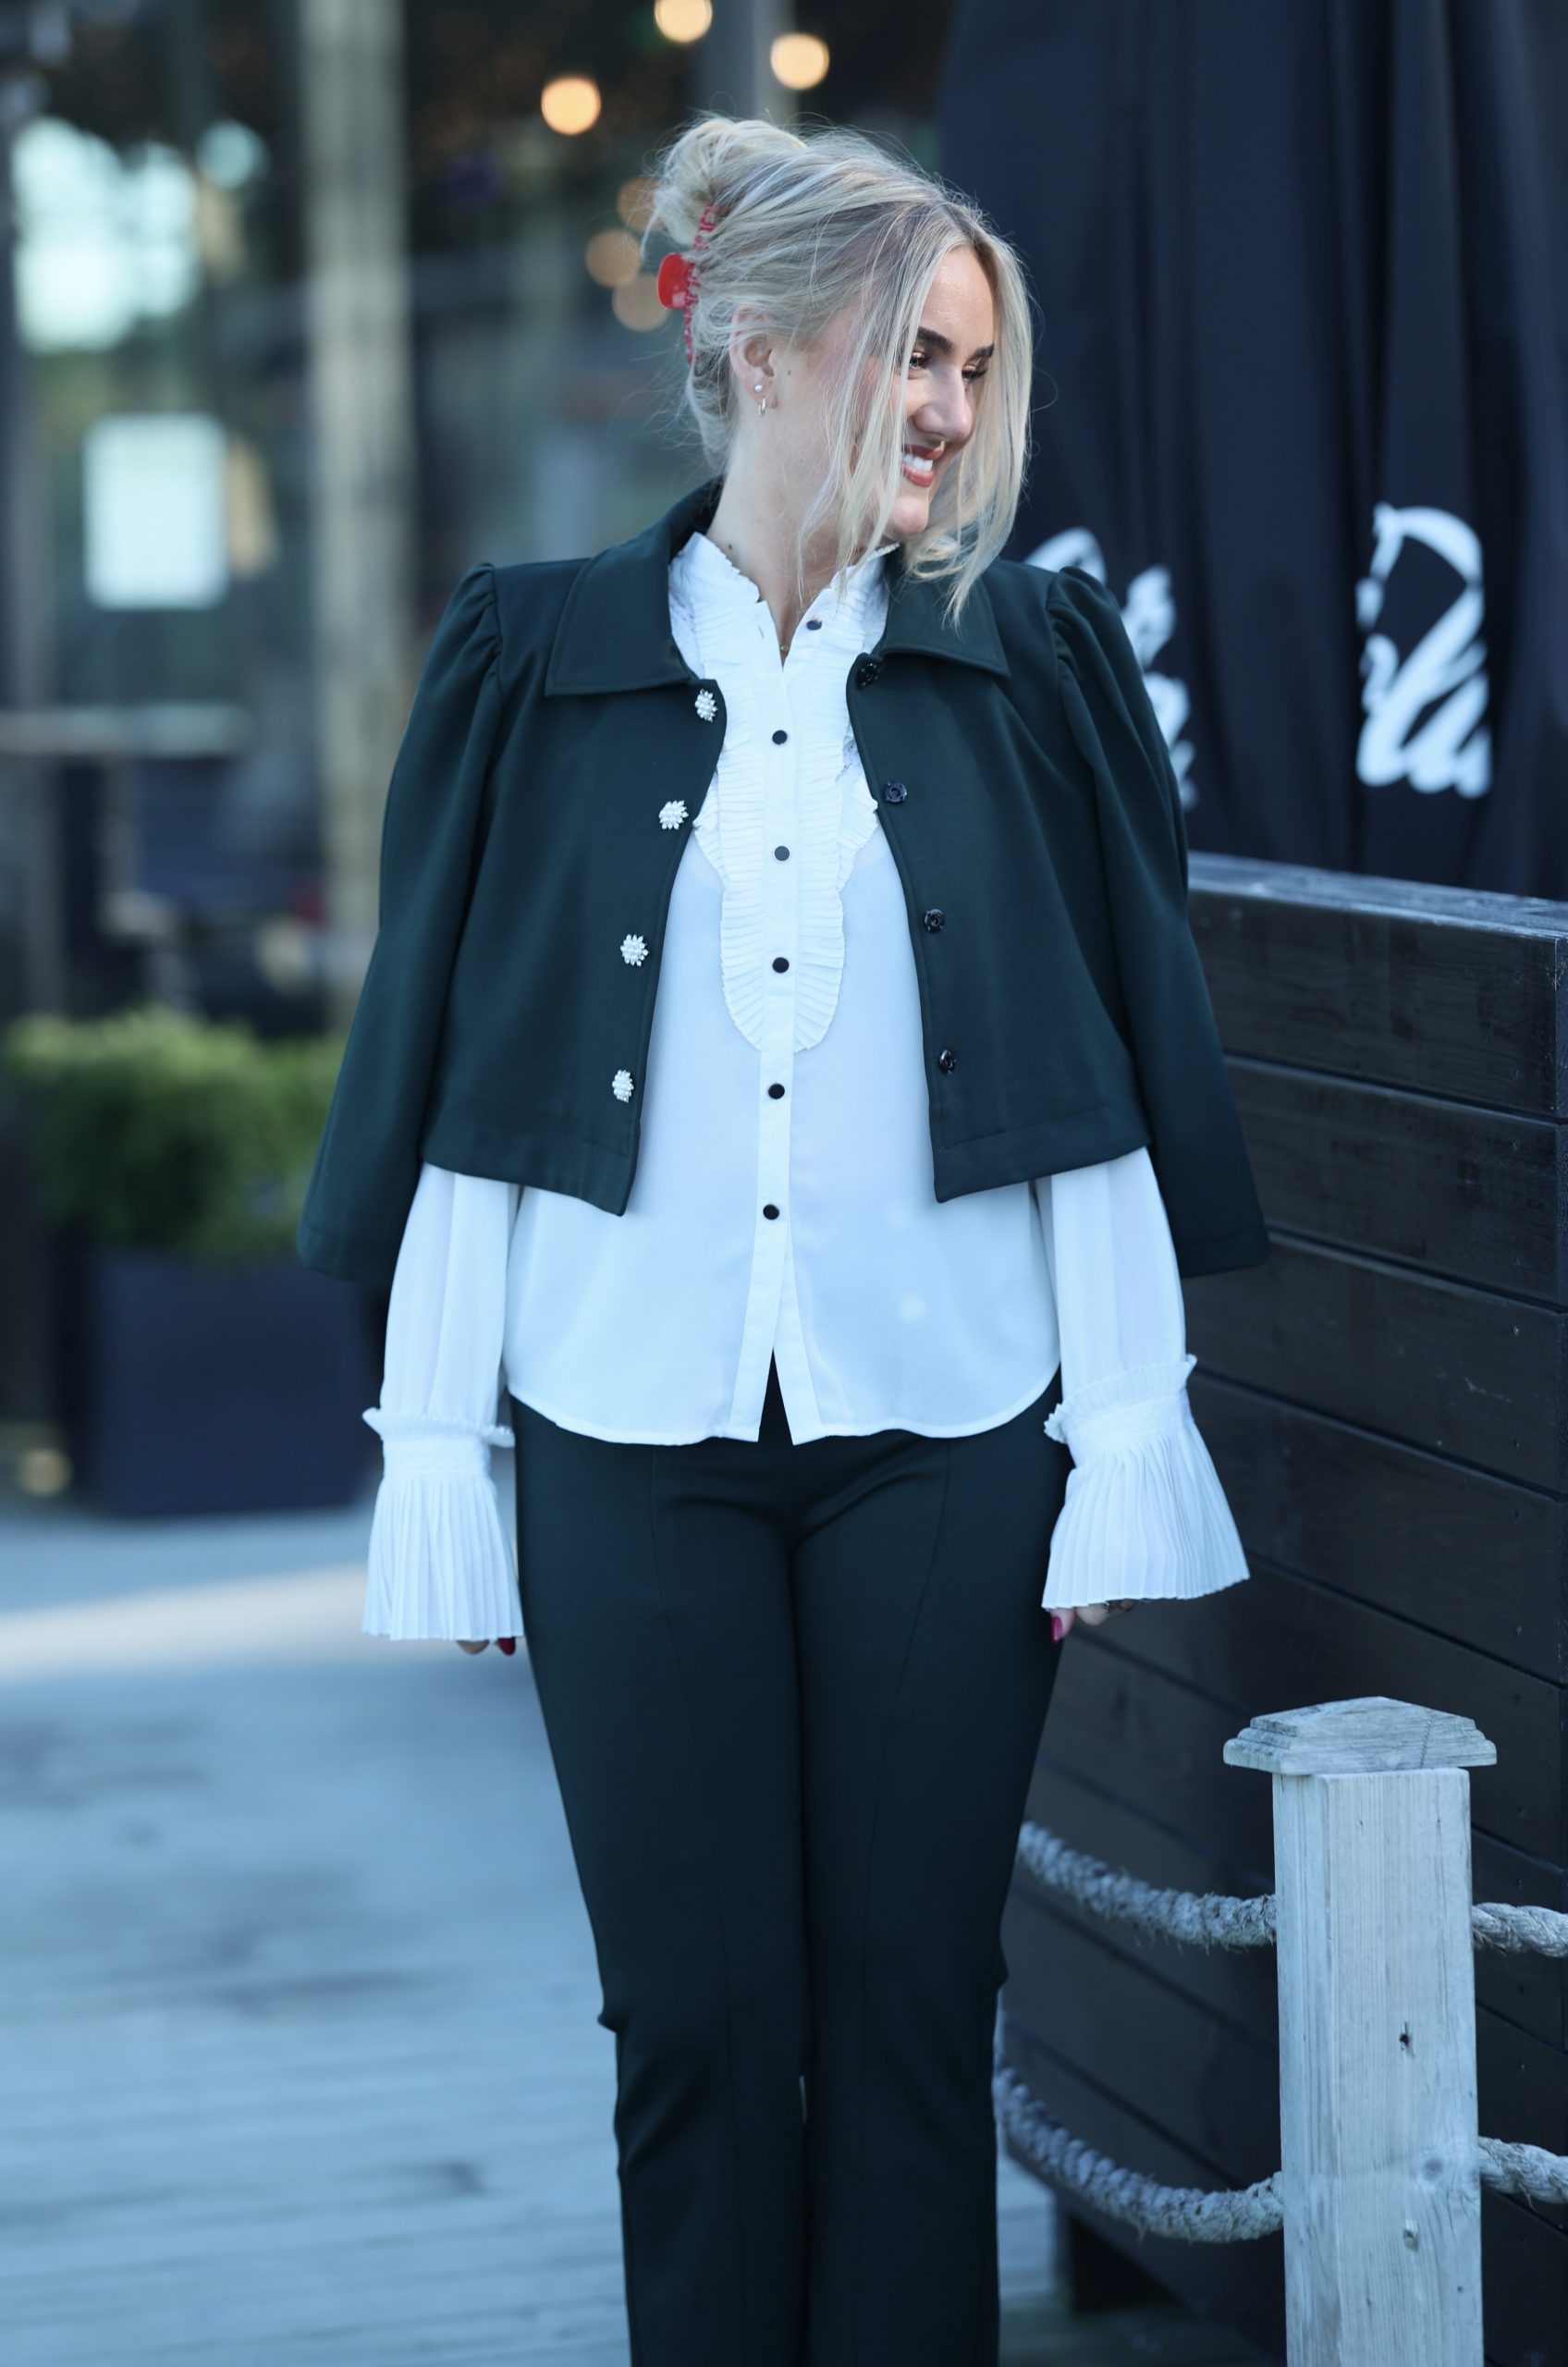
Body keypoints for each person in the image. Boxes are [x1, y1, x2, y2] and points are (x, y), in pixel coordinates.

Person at [300, 110, 1269, 2367]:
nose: (945, 406)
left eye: (971, 366)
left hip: (948, 1435)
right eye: (910, 350)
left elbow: (1091, 1079)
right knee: (696, 2021)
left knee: (912, 2012)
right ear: (755, 344)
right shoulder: (529, 656)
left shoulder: (1029, 656)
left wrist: (1122, 1429)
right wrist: (435, 1450)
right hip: (622, 1436)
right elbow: (472, 1090)